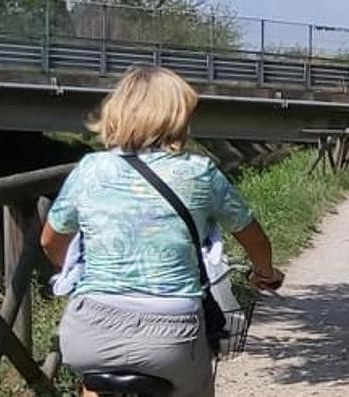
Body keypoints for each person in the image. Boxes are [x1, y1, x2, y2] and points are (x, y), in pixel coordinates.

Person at [40, 66, 285, 397]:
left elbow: (50, 241)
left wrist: (79, 273)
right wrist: (264, 273)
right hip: (172, 336)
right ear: (177, 117)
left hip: (90, 330)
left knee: (93, 382)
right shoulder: (200, 173)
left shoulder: (90, 169)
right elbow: (254, 238)